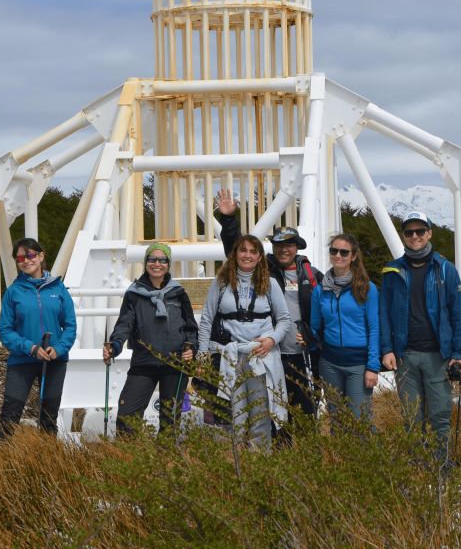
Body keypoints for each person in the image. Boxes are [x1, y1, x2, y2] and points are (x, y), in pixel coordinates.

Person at [217, 190, 323, 425]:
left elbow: (326, 313)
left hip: (301, 353)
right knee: (274, 411)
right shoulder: (264, 270)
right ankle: (280, 456)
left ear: (297, 247)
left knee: (306, 409)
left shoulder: (312, 275)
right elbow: (238, 250)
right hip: (269, 352)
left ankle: (306, 456)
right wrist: (228, 220)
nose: (284, 249)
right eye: (279, 245)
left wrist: (315, 336)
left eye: (289, 245)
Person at [380, 211, 461, 463]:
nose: (415, 236)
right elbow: (384, 314)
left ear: (429, 233)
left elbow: (459, 315)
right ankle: (418, 469)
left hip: (438, 356)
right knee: (412, 417)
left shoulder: (445, 269)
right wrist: (387, 349)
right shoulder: (392, 270)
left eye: (420, 231)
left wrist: (459, 355)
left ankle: (442, 467)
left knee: (440, 415)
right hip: (404, 356)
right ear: (404, 236)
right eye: (409, 232)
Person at [198, 234, 289, 450]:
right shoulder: (221, 283)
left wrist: (271, 341)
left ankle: (260, 462)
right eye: (243, 250)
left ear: (259, 257)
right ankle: (234, 462)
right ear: (235, 254)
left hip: (262, 356)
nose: (247, 255)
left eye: (253, 251)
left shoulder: (271, 284)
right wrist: (202, 356)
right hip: (230, 357)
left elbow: (284, 320)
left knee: (261, 413)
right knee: (234, 413)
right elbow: (206, 320)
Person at [103, 243, 197, 435]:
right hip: (144, 363)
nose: (157, 264)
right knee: (127, 419)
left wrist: (192, 348)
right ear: (146, 263)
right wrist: (115, 345)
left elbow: (190, 327)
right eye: (152, 259)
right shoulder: (134, 294)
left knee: (170, 422)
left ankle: (166, 463)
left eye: (162, 260)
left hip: (175, 364)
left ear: (168, 264)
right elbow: (124, 325)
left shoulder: (178, 293)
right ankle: (129, 462)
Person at [0, 238, 76, 439]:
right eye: (20, 257)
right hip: (22, 360)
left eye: (30, 255)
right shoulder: (13, 292)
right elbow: (5, 330)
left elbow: (70, 326)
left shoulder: (58, 289)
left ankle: (48, 464)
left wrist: (59, 348)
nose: (25, 260)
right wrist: (30, 347)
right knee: (9, 416)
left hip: (54, 361)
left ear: (40, 256)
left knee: (48, 418)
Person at [310, 233, 379, 420]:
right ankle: (338, 452)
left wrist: (373, 367)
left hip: (358, 364)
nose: (338, 256)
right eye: (334, 251)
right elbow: (315, 326)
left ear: (353, 256)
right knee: (336, 419)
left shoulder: (367, 288)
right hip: (330, 363)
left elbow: (374, 329)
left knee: (360, 420)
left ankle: (367, 451)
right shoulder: (320, 290)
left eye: (344, 252)